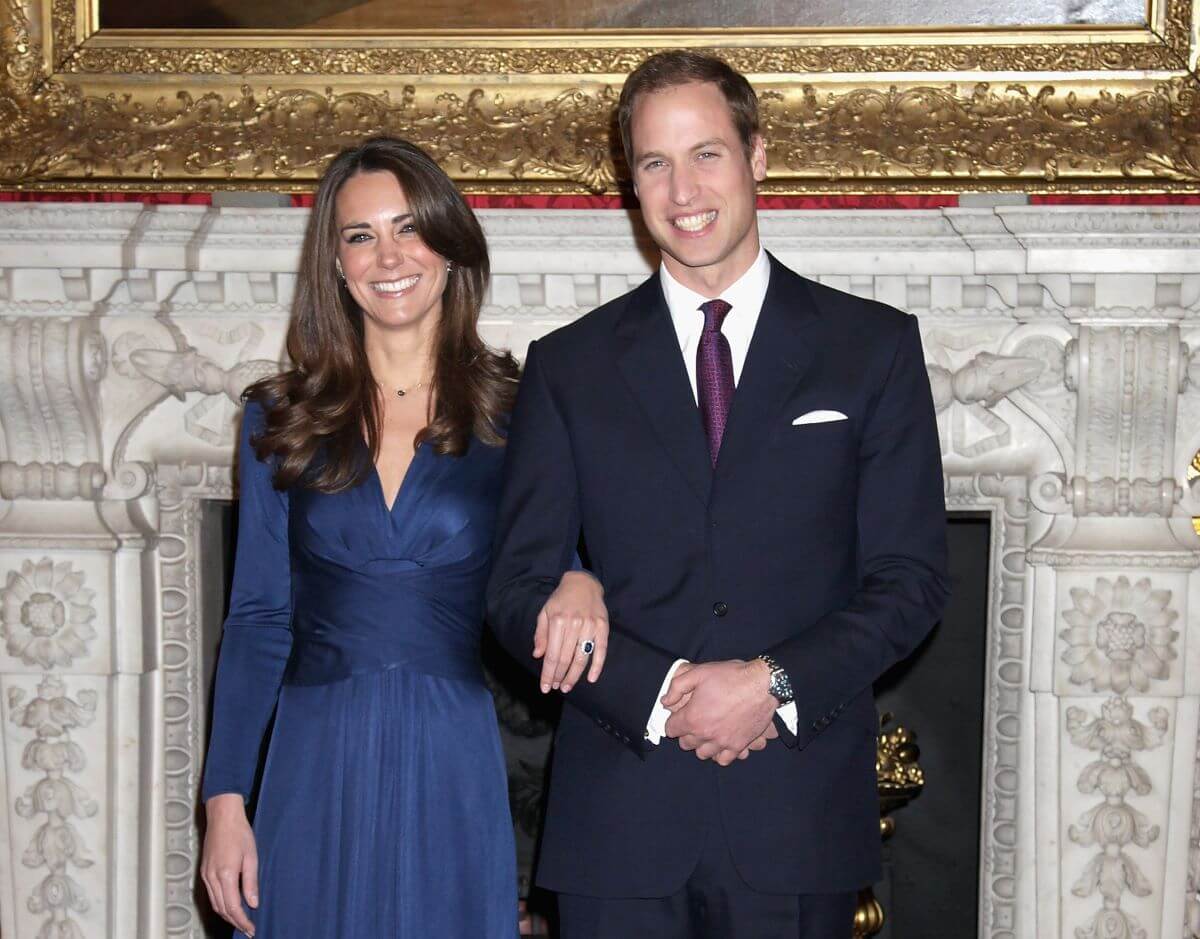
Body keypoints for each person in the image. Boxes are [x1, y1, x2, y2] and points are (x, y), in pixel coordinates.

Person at [486, 51, 950, 938]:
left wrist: (771, 683)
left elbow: (912, 578)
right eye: (654, 163)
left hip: (799, 819)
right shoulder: (568, 367)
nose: (681, 187)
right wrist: (659, 690)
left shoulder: (872, 349)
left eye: (706, 153)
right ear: (631, 183)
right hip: (618, 823)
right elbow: (514, 591)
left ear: (758, 158)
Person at [198, 136, 609, 939]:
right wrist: (224, 801)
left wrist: (583, 577)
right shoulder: (278, 418)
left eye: (409, 227)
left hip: (448, 753)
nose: (389, 255)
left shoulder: (518, 414)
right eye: (361, 235)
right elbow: (256, 619)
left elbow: (558, 565)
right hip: (311, 757)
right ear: (338, 264)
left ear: (450, 247)